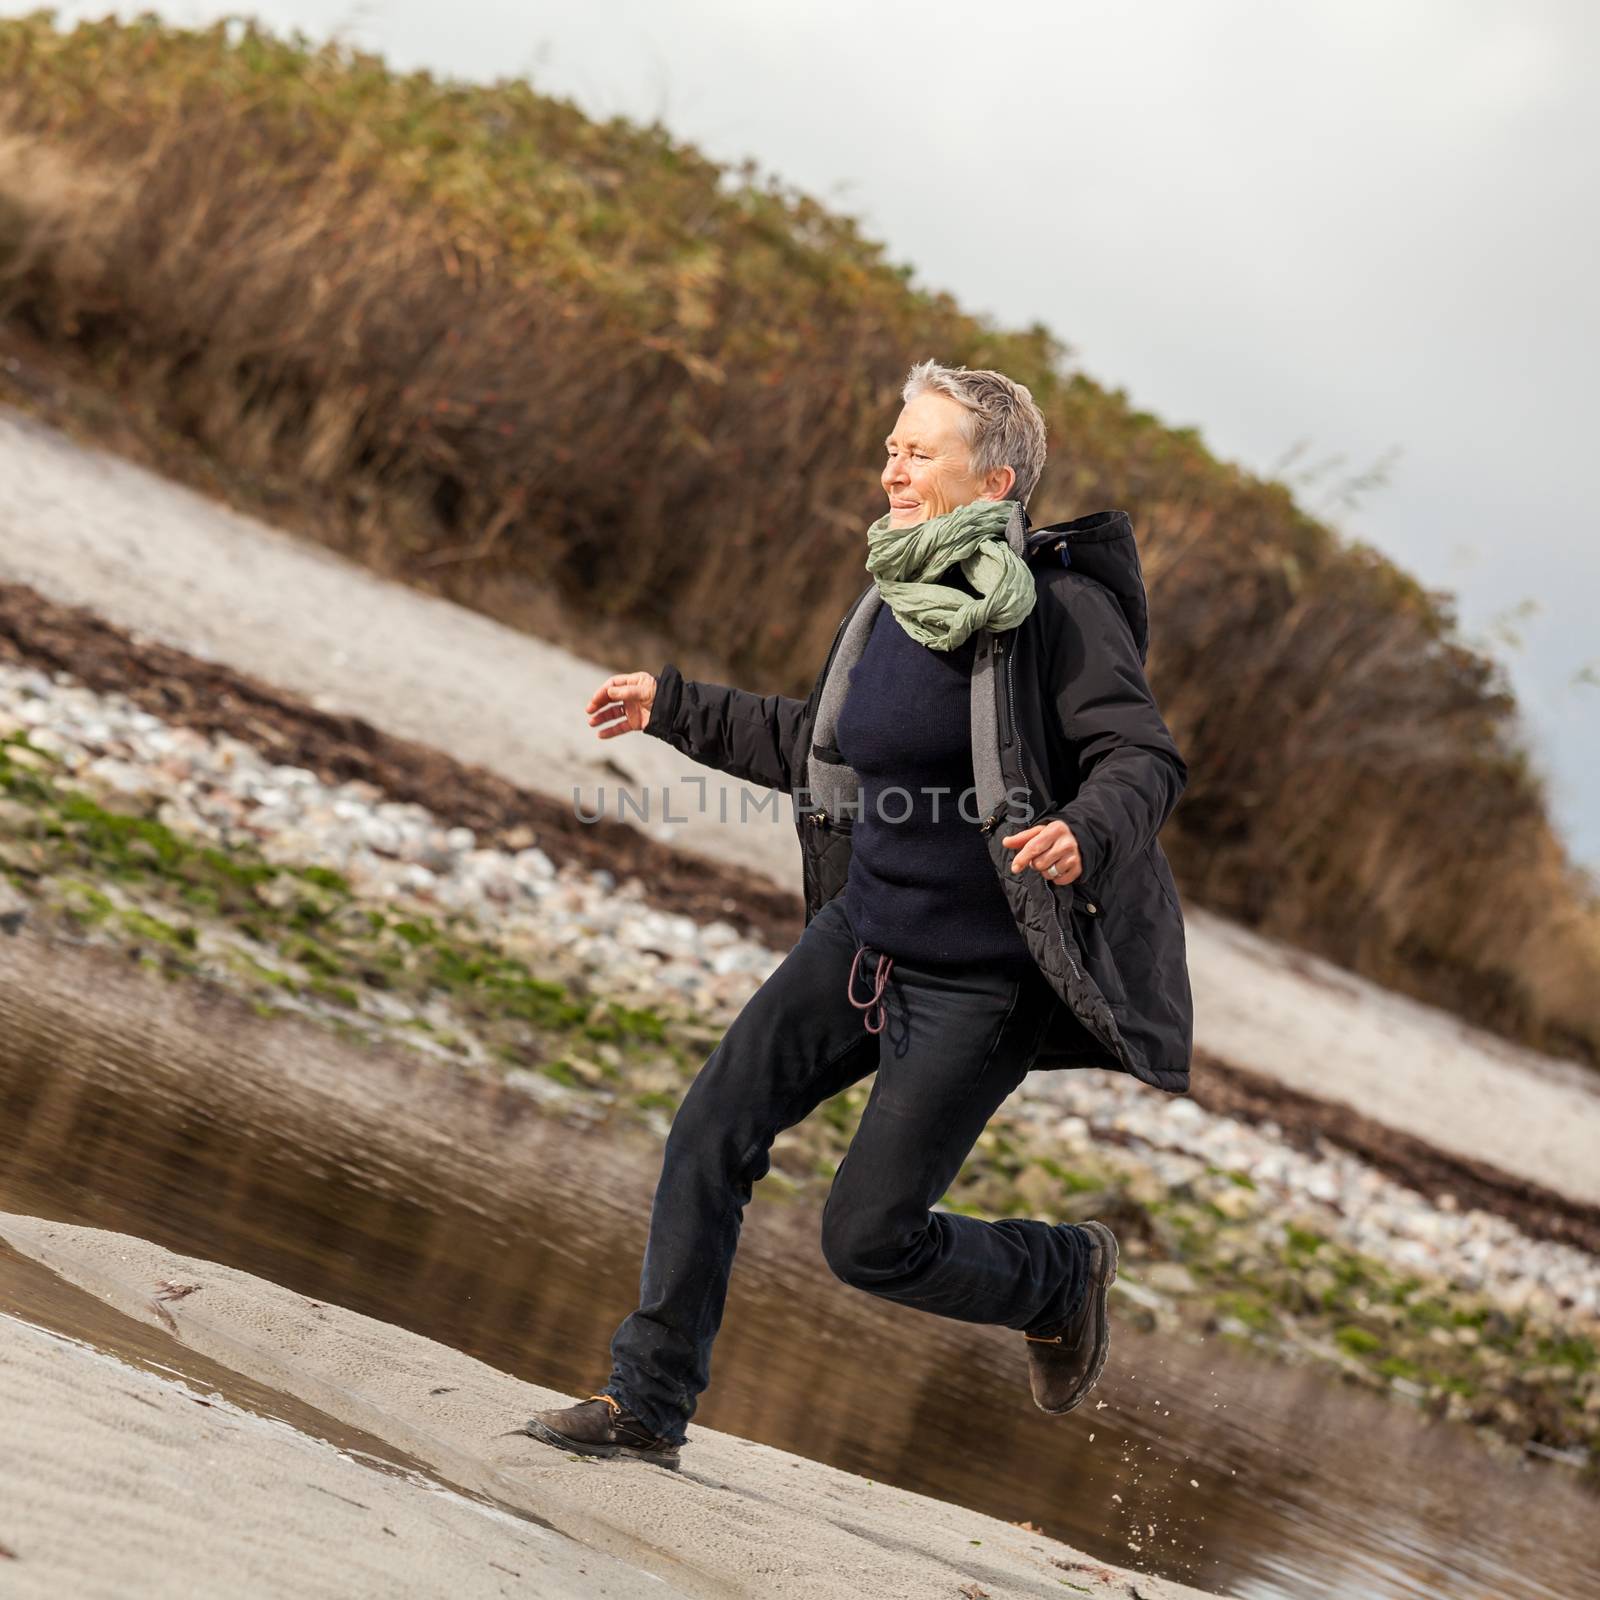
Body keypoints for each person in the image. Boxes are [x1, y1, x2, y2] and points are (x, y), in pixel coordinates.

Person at [524, 359, 1192, 1471]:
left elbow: (1142, 755)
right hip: (862, 939)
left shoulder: (1060, 612)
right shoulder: (890, 592)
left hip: (979, 983)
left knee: (868, 1240)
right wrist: (675, 707)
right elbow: (823, 749)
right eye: (891, 445)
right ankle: (646, 1404)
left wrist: (1086, 826)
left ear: (994, 483)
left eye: (917, 450)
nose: (891, 465)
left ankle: (1058, 1274)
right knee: (710, 1131)